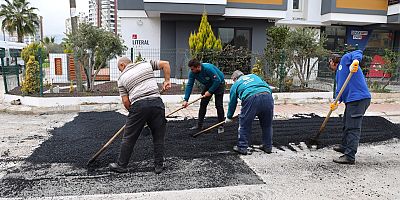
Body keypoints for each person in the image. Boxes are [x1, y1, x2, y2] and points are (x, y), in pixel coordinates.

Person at [109, 57, 171, 174]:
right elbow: (165, 63)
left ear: (122, 65)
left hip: (139, 105)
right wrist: (167, 80)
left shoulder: (121, 78)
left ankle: (121, 165)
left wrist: (134, 114)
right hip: (156, 103)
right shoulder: (146, 64)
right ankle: (158, 166)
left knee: (129, 137)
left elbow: (126, 102)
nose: (120, 72)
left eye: (119, 69)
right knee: (158, 136)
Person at [329, 50, 371, 164]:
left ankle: (349, 156)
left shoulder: (346, 59)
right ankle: (344, 146)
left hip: (359, 99)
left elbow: (357, 52)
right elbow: (340, 90)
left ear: (333, 61)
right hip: (351, 101)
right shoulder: (338, 73)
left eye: (329, 63)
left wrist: (356, 61)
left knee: (353, 128)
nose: (330, 66)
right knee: (346, 124)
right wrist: (336, 101)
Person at [225, 70, 274, 155]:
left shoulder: (235, 85)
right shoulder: (254, 76)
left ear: (235, 79)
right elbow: (267, 87)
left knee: (244, 124)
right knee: (267, 125)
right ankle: (268, 146)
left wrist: (229, 117)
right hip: (268, 96)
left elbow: (232, 102)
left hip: (252, 98)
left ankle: (242, 147)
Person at [182, 58, 225, 133]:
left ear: (198, 67)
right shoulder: (192, 73)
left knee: (219, 105)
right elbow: (189, 85)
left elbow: (217, 80)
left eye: (192, 69)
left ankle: (221, 125)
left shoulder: (208, 69)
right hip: (208, 84)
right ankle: (199, 125)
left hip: (219, 84)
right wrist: (186, 100)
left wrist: (210, 91)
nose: (191, 71)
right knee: (203, 104)